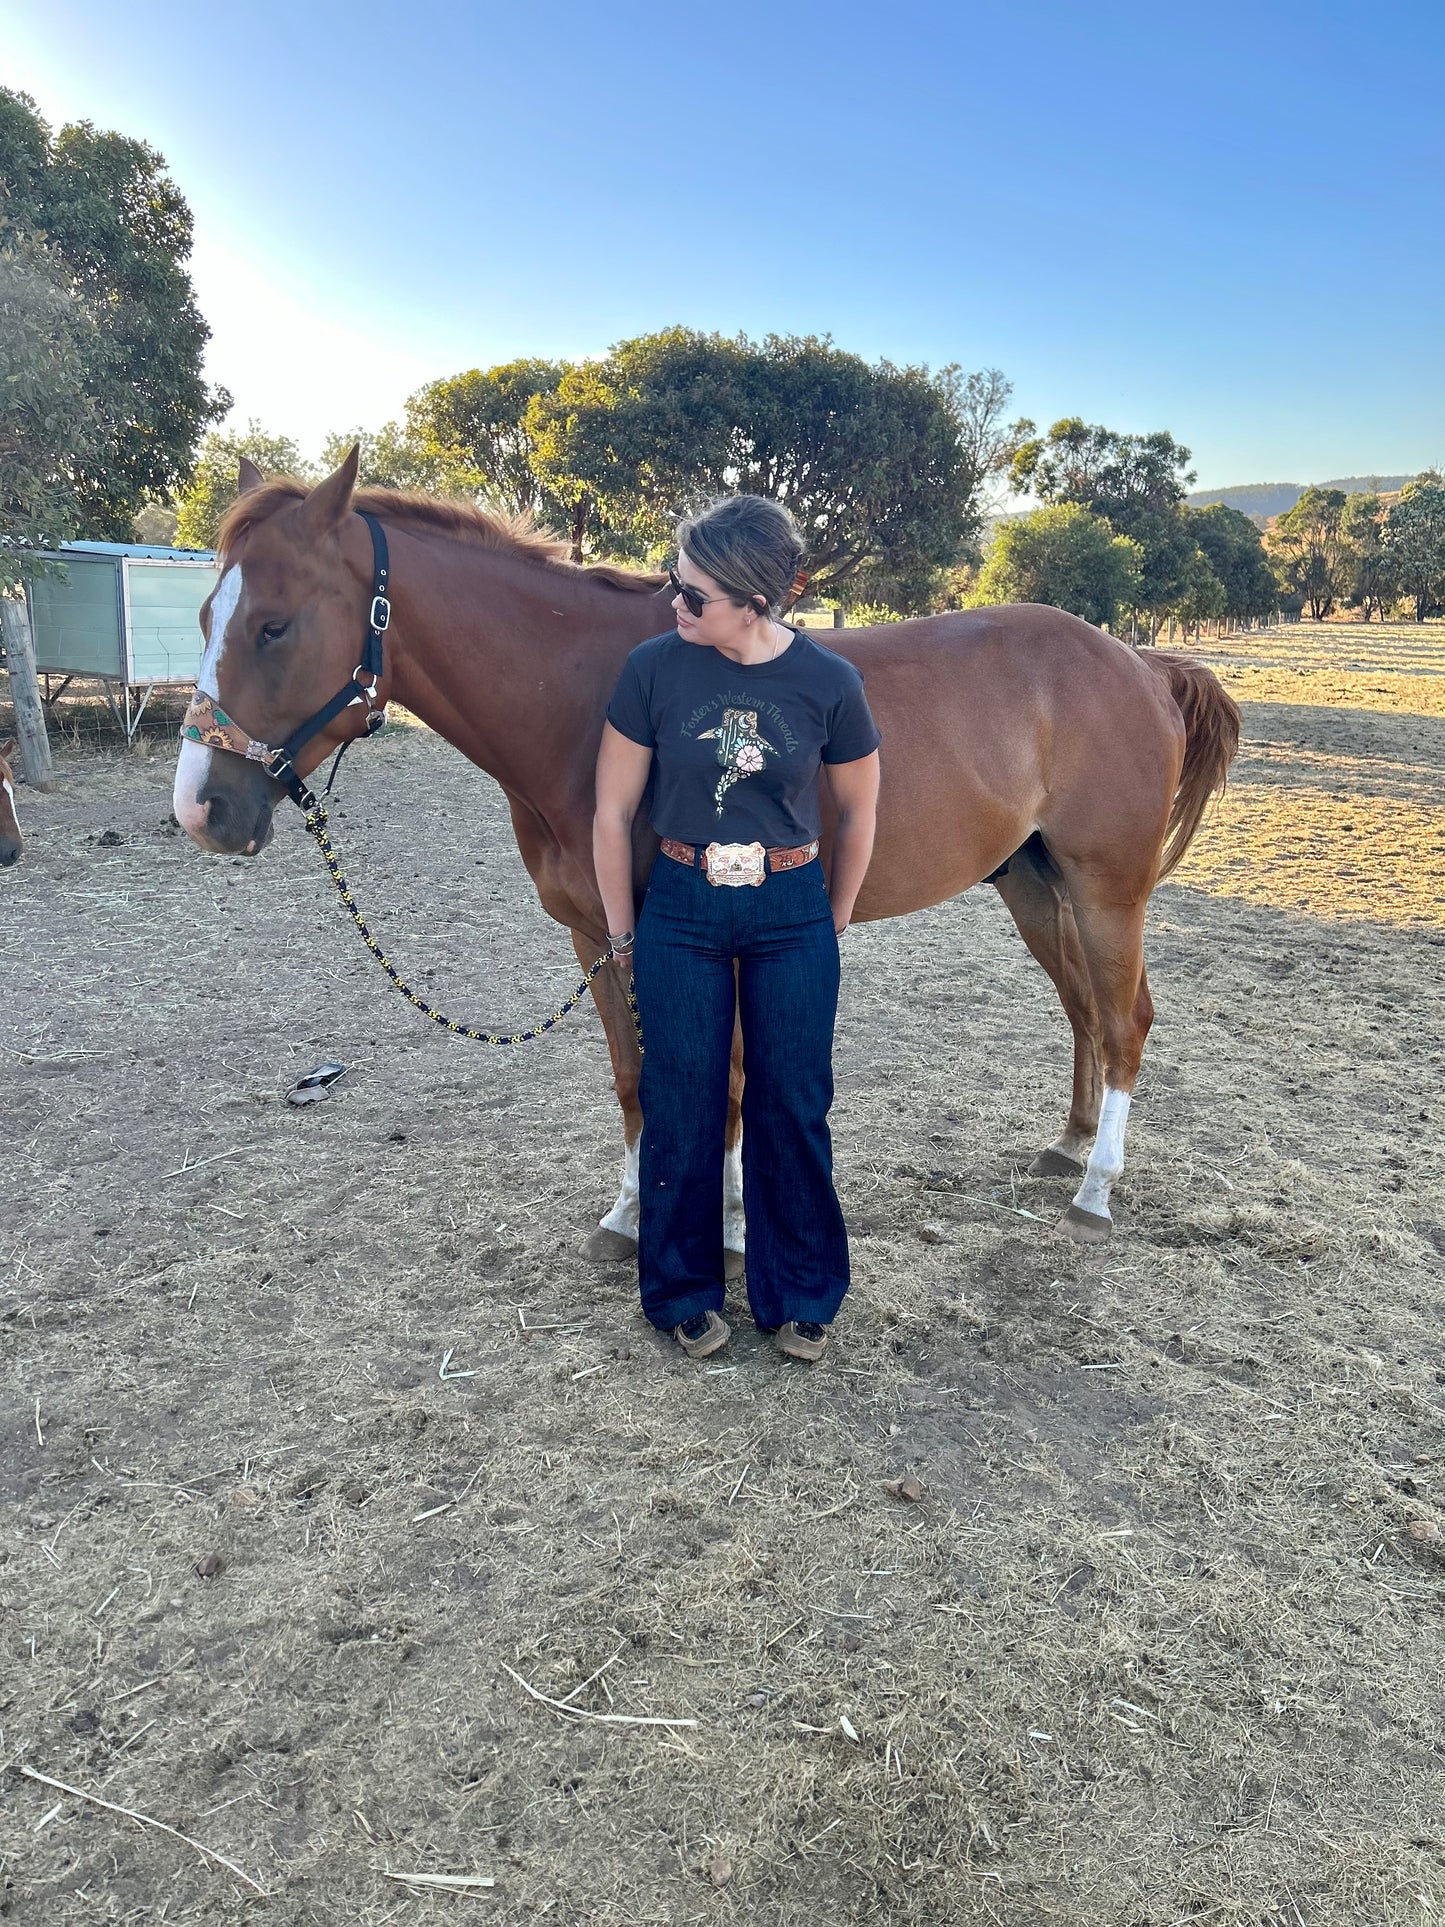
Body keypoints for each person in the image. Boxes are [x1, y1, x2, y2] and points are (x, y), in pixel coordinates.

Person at [593, 496, 881, 1363]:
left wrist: (832, 916)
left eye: (693, 595)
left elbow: (861, 810)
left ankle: (799, 1293)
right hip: (678, 905)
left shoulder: (828, 681)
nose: (673, 605)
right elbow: (611, 812)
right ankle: (680, 1289)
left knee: (792, 1103)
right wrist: (621, 932)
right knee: (679, 1098)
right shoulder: (653, 669)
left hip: (790, 910)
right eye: (673, 585)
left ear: (754, 601)